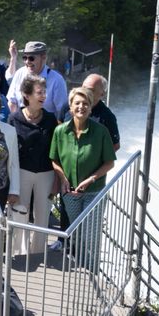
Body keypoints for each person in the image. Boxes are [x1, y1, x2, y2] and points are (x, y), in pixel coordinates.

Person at [49, 87, 115, 261]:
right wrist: (62, 178)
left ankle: (91, 268)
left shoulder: (101, 132)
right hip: (69, 191)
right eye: (77, 103)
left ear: (91, 108)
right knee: (74, 230)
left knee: (91, 234)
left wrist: (91, 179)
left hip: (93, 191)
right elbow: (54, 159)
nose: (81, 107)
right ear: (70, 107)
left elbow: (110, 162)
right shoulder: (60, 131)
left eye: (85, 103)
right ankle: (77, 265)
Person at [8, 75, 61, 256]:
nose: (44, 96)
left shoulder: (51, 119)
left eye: (45, 92)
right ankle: (21, 253)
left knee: (43, 215)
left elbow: (57, 150)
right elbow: (10, 151)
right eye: (39, 92)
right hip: (22, 172)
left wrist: (57, 179)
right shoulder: (14, 119)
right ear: (26, 94)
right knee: (21, 212)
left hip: (46, 173)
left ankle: (38, 252)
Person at [6, 40, 68, 118]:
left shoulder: (57, 80)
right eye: (25, 58)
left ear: (44, 57)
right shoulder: (19, 73)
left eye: (31, 58)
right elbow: (12, 102)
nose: (27, 62)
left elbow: (62, 111)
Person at [82, 73, 120, 152]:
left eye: (90, 90)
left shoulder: (107, 117)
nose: (85, 92)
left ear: (102, 94)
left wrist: (99, 161)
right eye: (83, 88)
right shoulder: (67, 106)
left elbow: (115, 145)